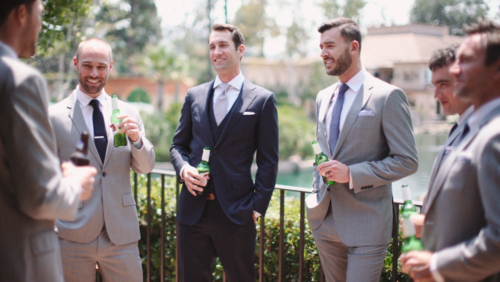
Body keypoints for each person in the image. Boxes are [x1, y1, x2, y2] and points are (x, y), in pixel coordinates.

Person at [305, 18, 418, 282]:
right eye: (321, 46)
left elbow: (407, 161)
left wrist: (352, 174)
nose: (323, 53)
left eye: (330, 45)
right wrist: (315, 193)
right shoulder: (323, 97)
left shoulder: (387, 96)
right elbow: (321, 152)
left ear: (353, 47)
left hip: (367, 224)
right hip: (324, 221)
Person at [170, 23, 279, 281]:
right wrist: (184, 169)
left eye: (222, 45)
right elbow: (178, 146)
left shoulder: (262, 99)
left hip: (237, 213)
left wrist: (256, 208)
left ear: (240, 50)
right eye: (212, 46)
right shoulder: (194, 95)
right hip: (193, 210)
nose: (216, 51)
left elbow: (268, 161)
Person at [0, 1, 97, 281]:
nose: (41, 25)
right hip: (19, 263)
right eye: (40, 15)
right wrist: (75, 184)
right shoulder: (19, 81)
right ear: (21, 14)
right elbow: (40, 197)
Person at [401, 19, 500, 282]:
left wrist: (437, 264)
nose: (456, 69)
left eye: (466, 61)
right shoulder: (472, 128)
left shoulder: (494, 135)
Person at [49, 38, 155, 282]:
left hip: (121, 236)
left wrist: (137, 139)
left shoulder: (129, 112)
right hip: (71, 235)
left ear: (111, 66)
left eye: (101, 66)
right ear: (76, 64)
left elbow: (146, 166)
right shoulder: (54, 116)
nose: (94, 73)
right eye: (87, 65)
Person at [403, 44, 473, 238]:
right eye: (434, 85)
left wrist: (428, 226)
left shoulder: (487, 134)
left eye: (443, 84)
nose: (436, 94)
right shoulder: (459, 127)